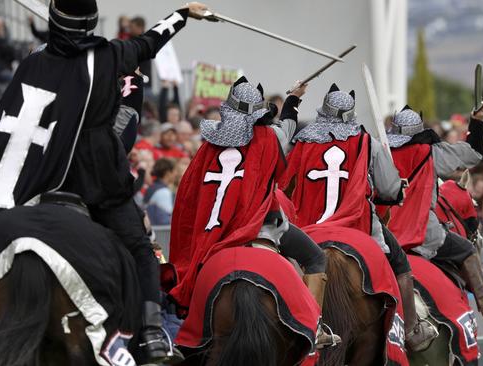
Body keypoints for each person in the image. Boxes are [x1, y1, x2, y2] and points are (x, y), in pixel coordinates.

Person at [0, 0, 211, 362]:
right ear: (91, 23)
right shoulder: (110, 56)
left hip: (32, 172)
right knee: (141, 249)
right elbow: (149, 42)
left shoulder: (33, 60)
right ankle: (151, 333)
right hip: (93, 175)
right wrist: (183, 15)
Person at [169, 77, 340, 348]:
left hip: (211, 235)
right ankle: (314, 327)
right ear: (259, 112)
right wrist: (294, 99)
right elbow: (287, 129)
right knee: (315, 257)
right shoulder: (270, 138)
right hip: (261, 229)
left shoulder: (207, 146)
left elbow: (189, 197)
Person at [279, 85, 436, 352]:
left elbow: (284, 180)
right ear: (351, 112)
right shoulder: (366, 141)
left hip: (307, 226)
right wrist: (397, 189)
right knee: (400, 265)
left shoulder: (302, 140)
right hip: (356, 222)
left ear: (324, 109)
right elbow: (387, 190)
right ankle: (412, 329)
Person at [381, 105, 483, 325]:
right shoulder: (432, 153)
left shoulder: (380, 151)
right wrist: (477, 121)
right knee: (467, 249)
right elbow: (473, 154)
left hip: (385, 232)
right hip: (422, 230)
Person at [144, 158, 177, 225]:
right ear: (168, 173)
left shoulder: (152, 187)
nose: (176, 174)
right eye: (174, 171)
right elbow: (167, 221)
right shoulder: (163, 192)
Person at [0, 17, 15, 83]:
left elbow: (11, 54)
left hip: (5, 68)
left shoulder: (5, 38)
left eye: (0, 26)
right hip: (0, 70)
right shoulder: (1, 40)